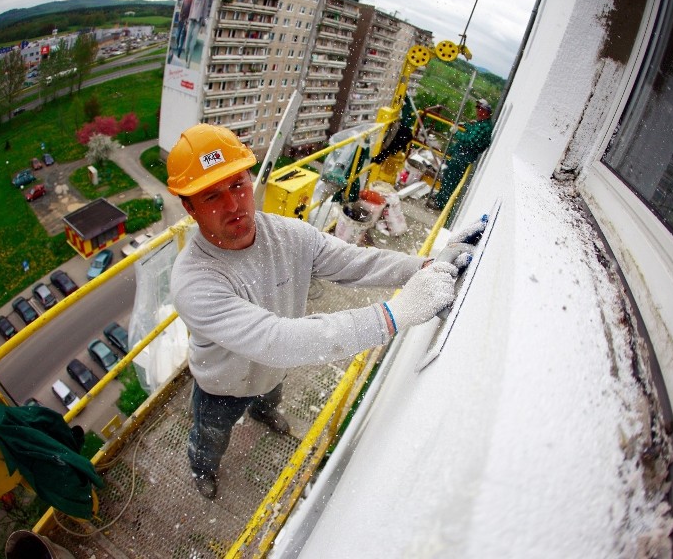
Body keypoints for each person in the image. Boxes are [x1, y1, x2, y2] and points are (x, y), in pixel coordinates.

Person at [168, 124, 471, 500]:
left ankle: (264, 413)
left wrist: (424, 268)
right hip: (223, 387)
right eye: (212, 195)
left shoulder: (289, 235)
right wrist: (395, 314)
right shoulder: (194, 281)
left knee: (269, 396)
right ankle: (203, 467)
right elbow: (274, 340)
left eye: (237, 185)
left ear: (250, 179)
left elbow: (356, 263)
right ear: (188, 206)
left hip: (272, 371)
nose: (233, 205)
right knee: (211, 434)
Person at [430, 98, 494, 210]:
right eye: (477, 108)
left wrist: (457, 132)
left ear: (485, 112)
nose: (477, 111)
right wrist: (468, 125)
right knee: (447, 176)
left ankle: (440, 203)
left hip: (463, 157)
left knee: (451, 180)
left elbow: (469, 141)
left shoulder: (484, 127)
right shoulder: (481, 124)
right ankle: (440, 197)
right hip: (461, 155)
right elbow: (473, 132)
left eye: (479, 108)